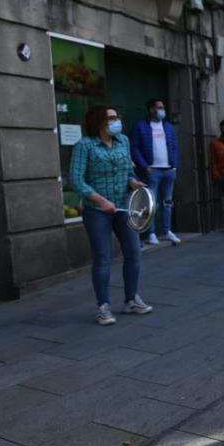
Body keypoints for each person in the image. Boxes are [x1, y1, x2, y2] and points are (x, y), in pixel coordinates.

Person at [70, 105, 153, 326]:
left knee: (134, 253)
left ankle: (131, 299)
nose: (117, 121)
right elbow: (77, 180)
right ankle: (103, 307)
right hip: (97, 211)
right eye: (112, 118)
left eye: (117, 116)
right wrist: (100, 200)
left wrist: (133, 182)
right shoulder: (84, 146)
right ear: (98, 122)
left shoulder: (123, 141)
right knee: (103, 258)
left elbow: (128, 171)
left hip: (124, 207)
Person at [130, 98, 180, 246]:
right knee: (151, 204)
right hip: (153, 171)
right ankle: (151, 233)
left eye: (162, 108)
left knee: (168, 202)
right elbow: (135, 148)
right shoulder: (141, 126)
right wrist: (145, 166)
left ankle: (167, 231)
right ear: (151, 109)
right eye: (159, 107)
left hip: (169, 171)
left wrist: (175, 166)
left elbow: (175, 147)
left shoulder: (168, 127)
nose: (162, 110)